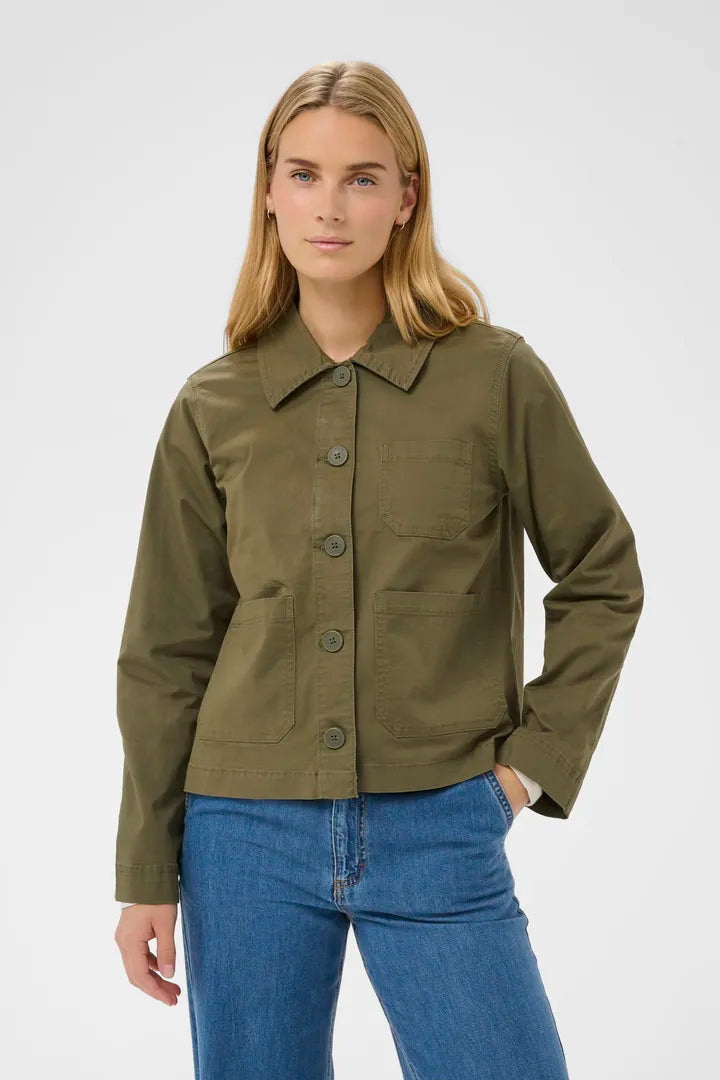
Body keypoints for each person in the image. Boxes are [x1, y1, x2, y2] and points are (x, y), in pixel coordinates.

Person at [113, 60, 644, 1080]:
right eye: (304, 174)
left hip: (441, 820)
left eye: (362, 178)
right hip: (241, 838)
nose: (330, 206)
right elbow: (166, 651)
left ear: (406, 198)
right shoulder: (212, 405)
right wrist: (145, 868)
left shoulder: (495, 376)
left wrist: (525, 770)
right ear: (269, 192)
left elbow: (601, 572)